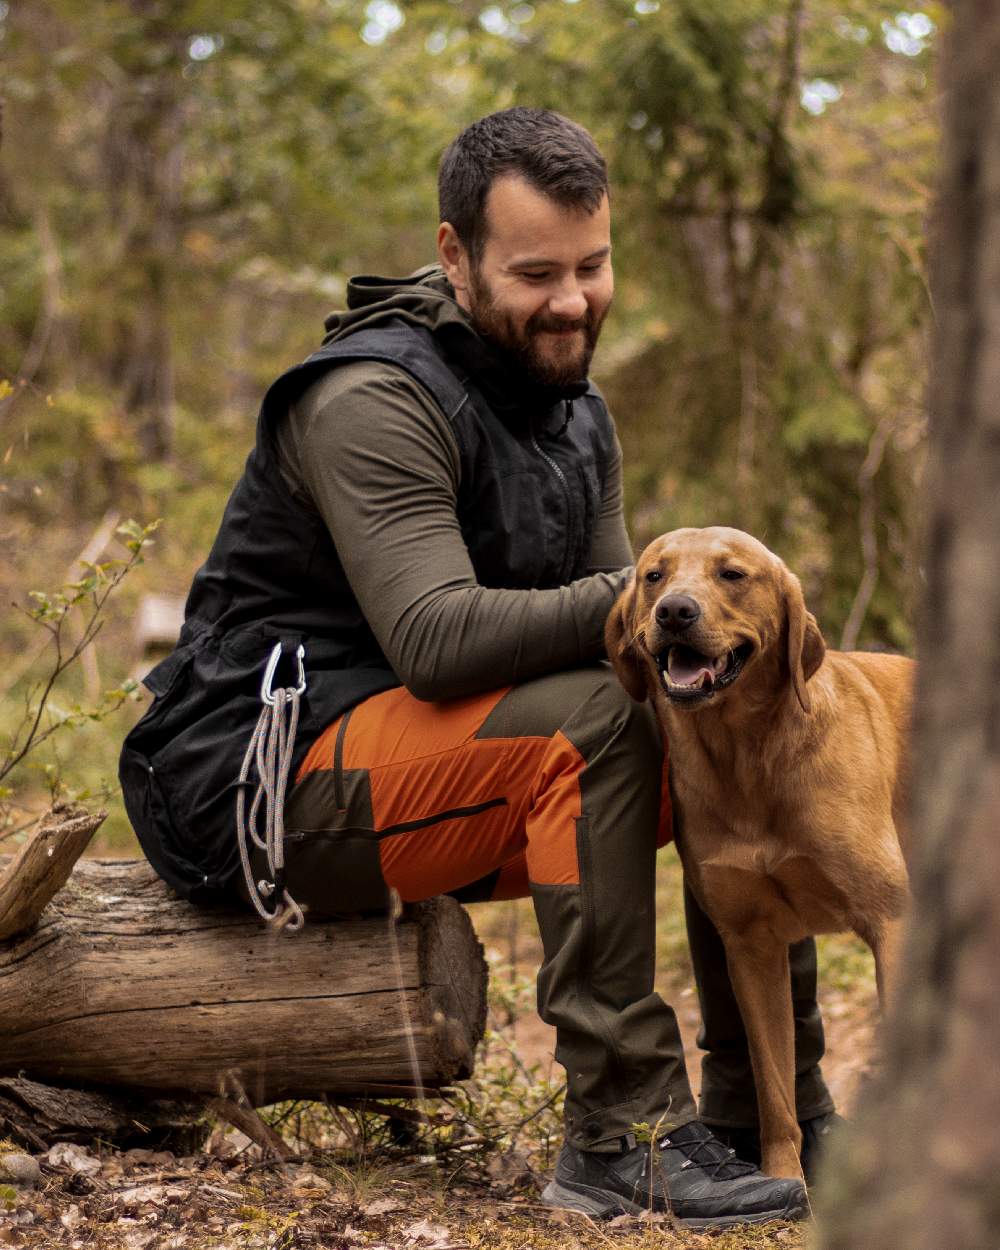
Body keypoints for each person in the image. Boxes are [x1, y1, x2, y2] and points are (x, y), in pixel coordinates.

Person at [120, 107, 836, 1227]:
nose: (571, 300)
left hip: (418, 751)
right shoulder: (367, 399)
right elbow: (439, 637)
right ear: (455, 257)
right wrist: (662, 597)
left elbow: (634, 649)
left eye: (592, 266)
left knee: (706, 703)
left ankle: (770, 1104)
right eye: (536, 272)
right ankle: (622, 1131)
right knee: (598, 722)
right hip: (262, 783)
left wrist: (698, 630)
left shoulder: (571, 401)